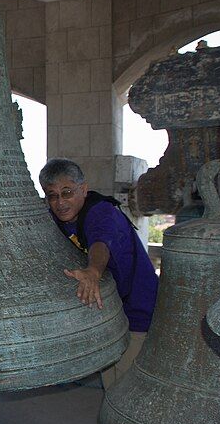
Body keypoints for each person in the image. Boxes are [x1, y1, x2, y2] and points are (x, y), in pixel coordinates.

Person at [38, 158, 158, 388]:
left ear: (84, 189)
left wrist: (93, 270)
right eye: (52, 195)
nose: (60, 202)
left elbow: (101, 242)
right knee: (111, 378)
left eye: (67, 192)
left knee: (126, 386)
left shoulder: (101, 212)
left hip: (136, 311)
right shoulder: (58, 219)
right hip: (109, 311)